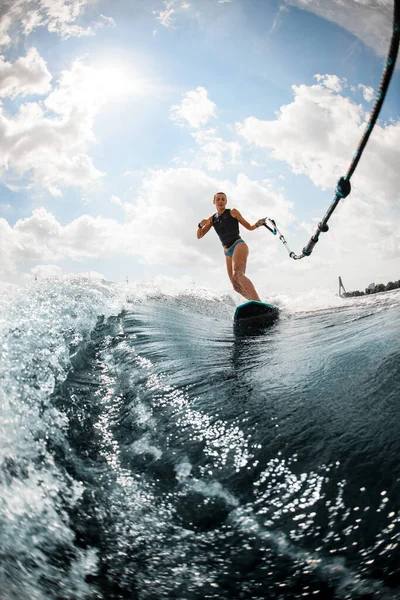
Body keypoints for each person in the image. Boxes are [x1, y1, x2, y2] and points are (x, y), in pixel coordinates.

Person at [197, 191, 266, 301]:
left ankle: (258, 302)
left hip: (238, 244)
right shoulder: (212, 219)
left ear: (226, 201)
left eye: (223, 199)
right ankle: (253, 302)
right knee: (235, 285)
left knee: (238, 274)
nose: (220, 201)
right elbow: (199, 236)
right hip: (227, 252)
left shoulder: (232, 212)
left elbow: (249, 227)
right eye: (218, 199)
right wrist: (200, 226)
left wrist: (258, 224)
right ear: (213, 201)